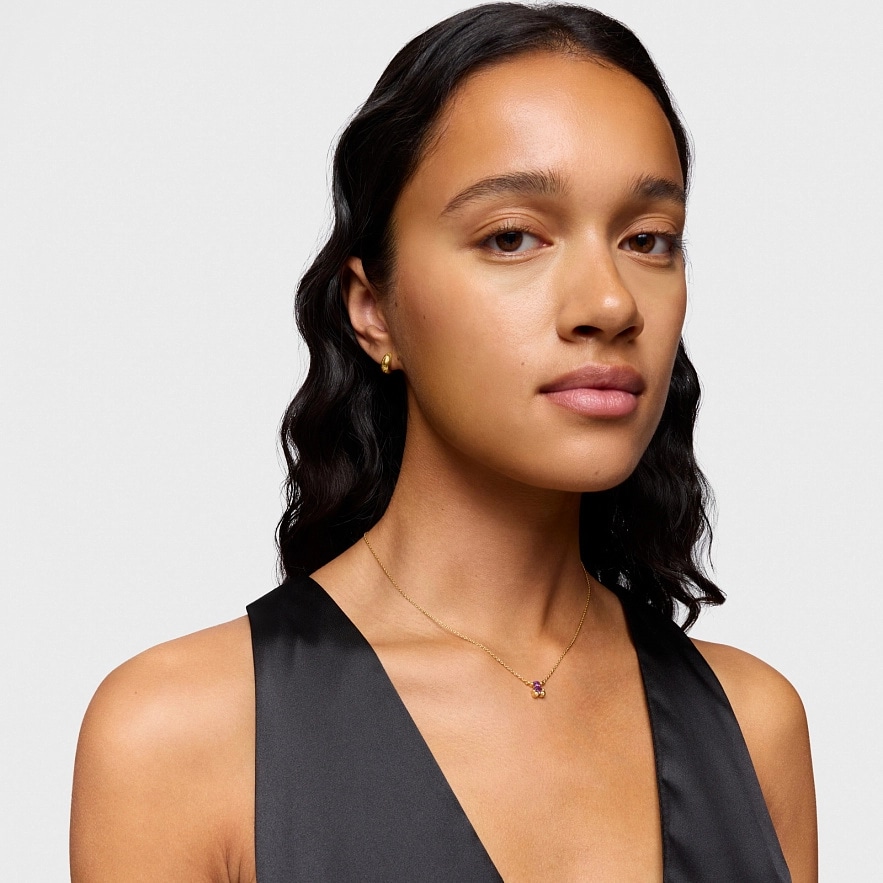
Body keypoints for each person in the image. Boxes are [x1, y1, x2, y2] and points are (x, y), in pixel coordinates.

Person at [70, 3, 817, 880]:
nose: (611, 303)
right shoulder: (181, 734)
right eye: (511, 237)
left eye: (646, 240)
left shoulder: (751, 725)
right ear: (372, 309)